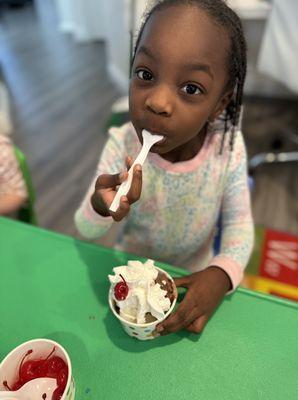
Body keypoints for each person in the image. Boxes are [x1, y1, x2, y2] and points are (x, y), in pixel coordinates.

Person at [75, 0, 254, 336]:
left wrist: (220, 275)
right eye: (146, 74)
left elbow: (240, 228)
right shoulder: (122, 143)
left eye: (190, 88)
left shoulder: (227, 151)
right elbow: (86, 230)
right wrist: (101, 206)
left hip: (192, 278)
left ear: (219, 104)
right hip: (129, 276)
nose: (157, 102)